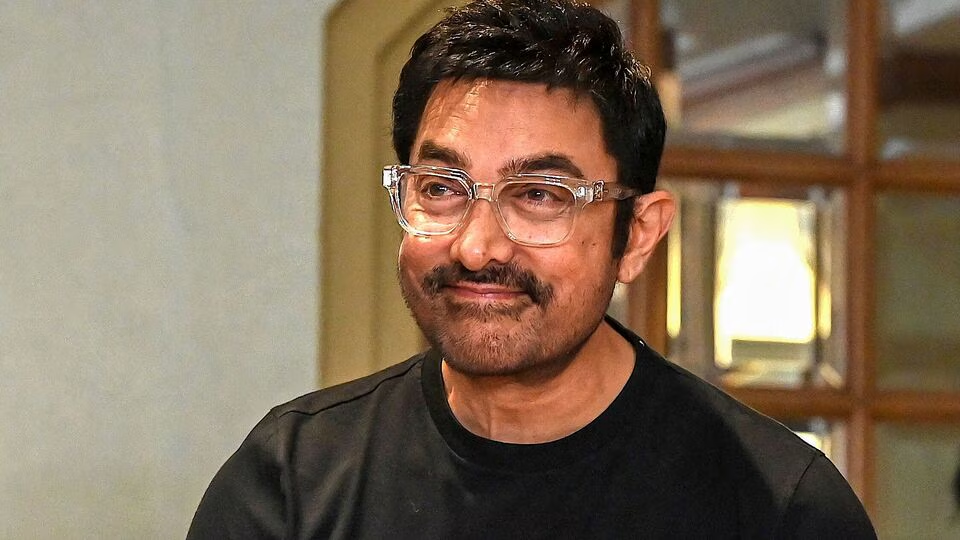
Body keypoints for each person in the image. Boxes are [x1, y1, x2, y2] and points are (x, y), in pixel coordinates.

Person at [188, 1, 877, 538]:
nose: (477, 247)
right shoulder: (292, 483)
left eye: (541, 196)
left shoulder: (778, 510)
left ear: (637, 235)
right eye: (441, 188)